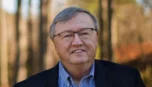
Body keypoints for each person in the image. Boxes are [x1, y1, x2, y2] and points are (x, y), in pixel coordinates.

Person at [14, 7, 145, 87]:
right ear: (54, 43)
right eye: (67, 35)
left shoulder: (128, 80)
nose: (77, 42)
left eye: (84, 33)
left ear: (96, 37)